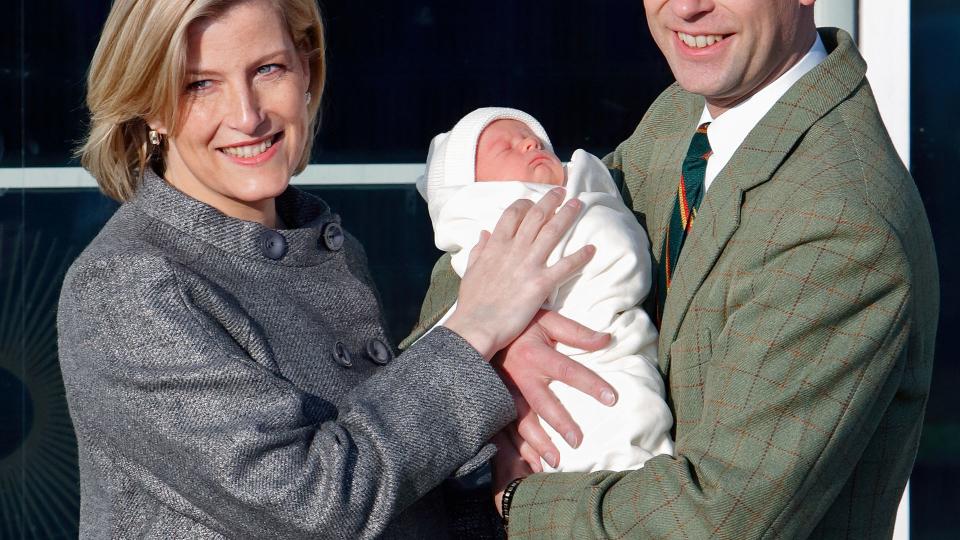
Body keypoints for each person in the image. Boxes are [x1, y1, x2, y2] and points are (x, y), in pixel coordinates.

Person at [57, 0, 616, 537]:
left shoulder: (332, 249)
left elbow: (392, 496)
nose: (248, 116)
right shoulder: (128, 287)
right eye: (199, 84)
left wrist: (506, 482)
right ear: (150, 105)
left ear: (306, 68)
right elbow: (317, 506)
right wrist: (475, 333)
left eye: (268, 69)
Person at [405, 0, 939, 537]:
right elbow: (499, 226)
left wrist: (510, 500)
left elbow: (715, 519)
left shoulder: (839, 223)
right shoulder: (685, 116)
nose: (686, 8)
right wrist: (506, 342)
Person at [417, 107, 674, 472]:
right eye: (505, 148)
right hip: (571, 389)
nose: (528, 142)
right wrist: (498, 345)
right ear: (473, 190)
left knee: (636, 422)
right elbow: (453, 331)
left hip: (619, 354)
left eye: (535, 140)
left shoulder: (603, 188)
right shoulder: (485, 232)